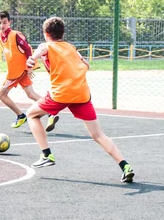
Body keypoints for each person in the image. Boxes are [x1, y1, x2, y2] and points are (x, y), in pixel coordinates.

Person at [25, 17, 135, 183]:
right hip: (82, 94)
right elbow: (86, 64)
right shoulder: (71, 47)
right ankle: (125, 165)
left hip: (61, 94)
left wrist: (31, 59)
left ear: (46, 34)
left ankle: (46, 154)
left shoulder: (46, 46)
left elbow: (38, 52)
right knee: (98, 134)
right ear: (62, 33)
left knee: (31, 114)